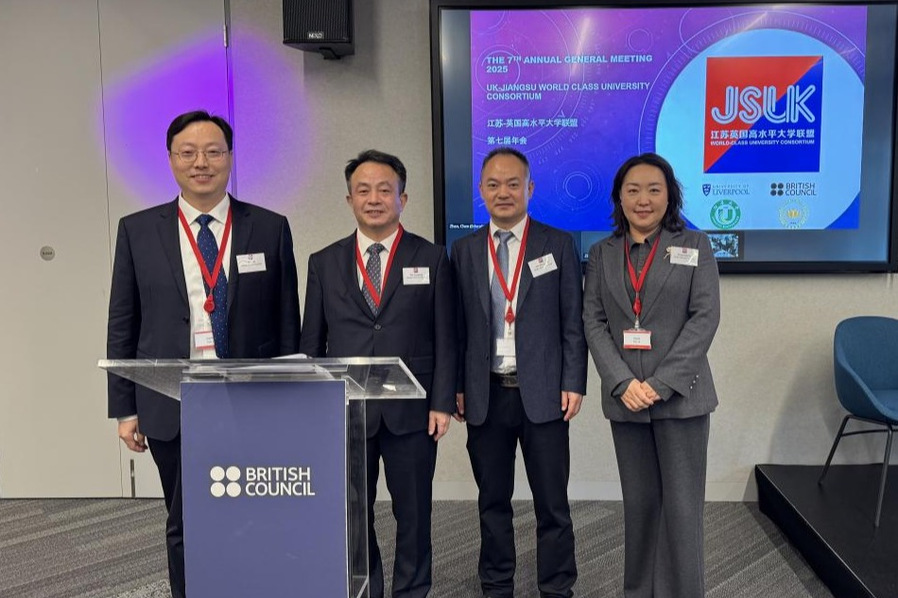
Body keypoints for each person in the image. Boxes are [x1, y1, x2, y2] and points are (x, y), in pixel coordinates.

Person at [106, 110, 301, 598]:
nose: (201, 163)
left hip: (252, 400)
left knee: (252, 510)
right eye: (188, 153)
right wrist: (125, 407)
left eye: (213, 152)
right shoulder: (138, 230)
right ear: (171, 159)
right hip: (172, 399)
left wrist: (290, 402)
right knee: (185, 517)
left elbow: (287, 324)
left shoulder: (269, 227)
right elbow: (123, 323)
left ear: (230, 158)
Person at [299, 149, 456, 598]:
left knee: (414, 513)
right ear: (349, 199)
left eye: (384, 190)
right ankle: (365, 590)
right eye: (363, 190)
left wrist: (442, 402)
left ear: (402, 198)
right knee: (352, 512)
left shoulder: (432, 257)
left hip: (413, 411)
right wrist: (315, 406)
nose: (374, 199)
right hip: (347, 413)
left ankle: (412, 590)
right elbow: (312, 344)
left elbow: (447, 338)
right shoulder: (324, 262)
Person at [583, 152, 720, 597]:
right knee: (640, 507)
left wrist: (660, 385)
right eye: (633, 190)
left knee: (682, 509)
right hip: (627, 401)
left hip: (681, 399)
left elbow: (704, 318)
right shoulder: (602, 254)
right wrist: (622, 382)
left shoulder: (695, 245)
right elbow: (594, 321)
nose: (643, 199)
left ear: (669, 196)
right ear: (619, 198)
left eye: (654, 190)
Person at [452, 147, 587, 598]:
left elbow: (572, 321)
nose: (503, 192)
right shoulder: (464, 250)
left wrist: (574, 382)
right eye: (493, 184)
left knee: (553, 504)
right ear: (481, 190)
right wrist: (457, 386)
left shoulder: (557, 243)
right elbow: (457, 326)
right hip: (485, 394)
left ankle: (557, 587)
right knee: (492, 502)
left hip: (544, 394)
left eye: (513, 184)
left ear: (530, 188)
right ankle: (496, 586)